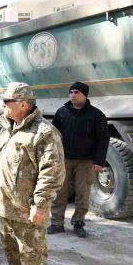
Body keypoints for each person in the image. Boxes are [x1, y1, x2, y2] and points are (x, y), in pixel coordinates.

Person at [0, 82, 66, 265]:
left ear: (23, 104)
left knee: (32, 255)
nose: (4, 106)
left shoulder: (44, 133)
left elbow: (52, 172)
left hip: (26, 209)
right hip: (5, 205)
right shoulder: (8, 128)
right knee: (12, 252)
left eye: (7, 102)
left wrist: (40, 205)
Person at [48, 82, 109, 238]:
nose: (73, 95)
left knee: (83, 193)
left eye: (76, 92)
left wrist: (98, 161)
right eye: (71, 92)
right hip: (64, 160)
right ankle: (56, 223)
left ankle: (78, 223)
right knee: (60, 192)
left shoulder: (96, 115)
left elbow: (103, 139)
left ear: (84, 95)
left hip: (86, 161)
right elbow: (53, 135)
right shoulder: (62, 112)